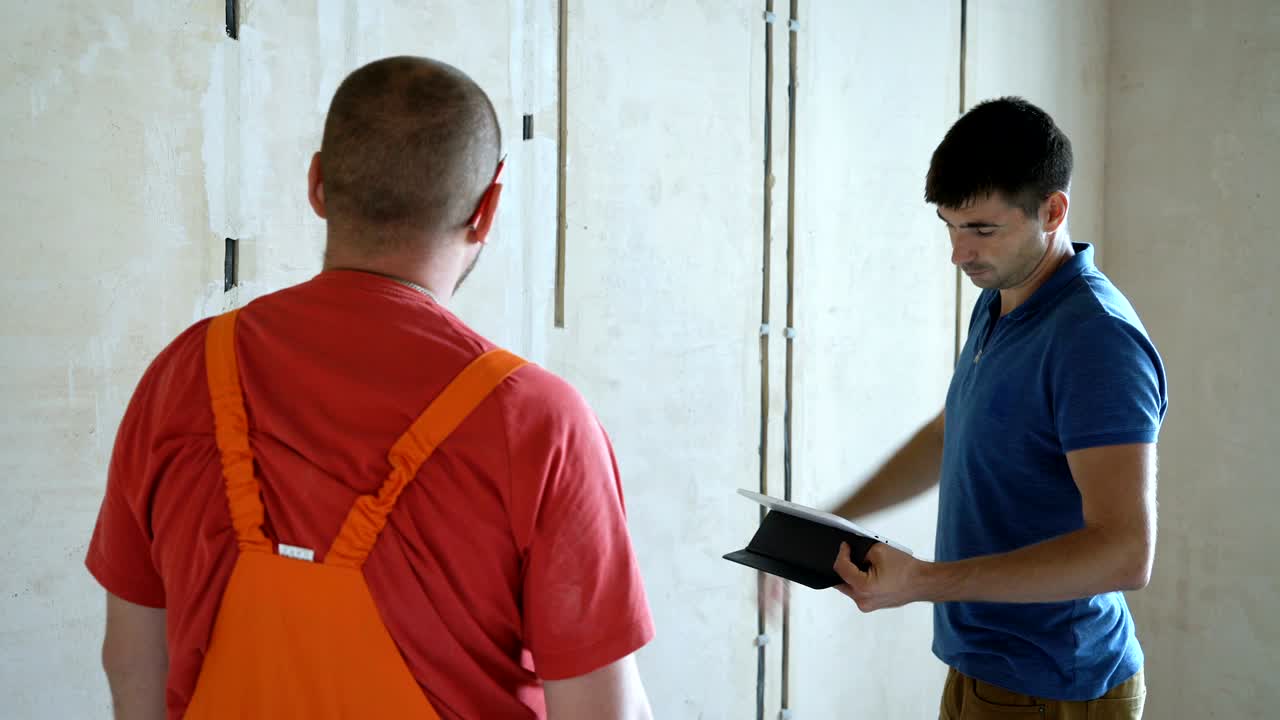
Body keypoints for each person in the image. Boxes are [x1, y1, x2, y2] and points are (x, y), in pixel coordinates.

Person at [86, 56, 654, 720]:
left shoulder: (183, 373)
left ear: (318, 184)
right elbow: (602, 712)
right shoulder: (539, 422)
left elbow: (131, 665)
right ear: (488, 209)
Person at [828, 97, 1166, 719]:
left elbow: (1125, 552)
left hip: (1055, 685)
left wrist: (923, 581)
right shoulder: (1003, 295)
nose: (959, 253)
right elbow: (949, 433)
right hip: (983, 669)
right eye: (950, 227)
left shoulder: (1094, 339)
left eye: (981, 229)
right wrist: (832, 523)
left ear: (1053, 210)